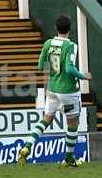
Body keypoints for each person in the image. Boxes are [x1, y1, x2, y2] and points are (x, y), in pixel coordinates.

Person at [17, 14, 92, 167]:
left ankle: (27, 146)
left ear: (56, 29)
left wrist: (53, 71)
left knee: (46, 119)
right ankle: (69, 159)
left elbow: (40, 66)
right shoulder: (71, 46)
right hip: (68, 91)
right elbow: (70, 69)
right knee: (73, 124)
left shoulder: (48, 43)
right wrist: (83, 76)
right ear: (69, 29)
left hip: (52, 89)